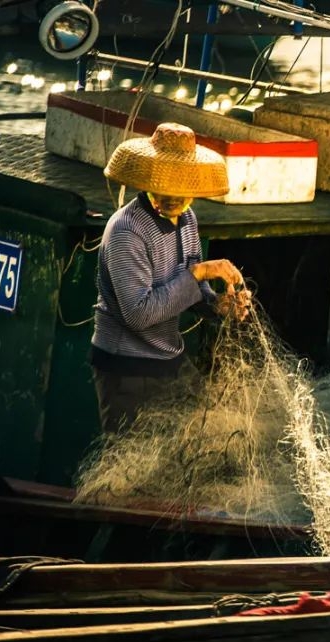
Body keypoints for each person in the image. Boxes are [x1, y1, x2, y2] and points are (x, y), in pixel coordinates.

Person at [89, 122, 252, 434]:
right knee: (130, 465)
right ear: (150, 181)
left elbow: (192, 287)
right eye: (166, 185)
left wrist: (217, 305)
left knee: (202, 438)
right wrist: (201, 273)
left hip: (170, 359)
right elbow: (139, 314)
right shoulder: (127, 230)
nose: (174, 197)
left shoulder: (188, 219)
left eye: (182, 188)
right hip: (126, 368)